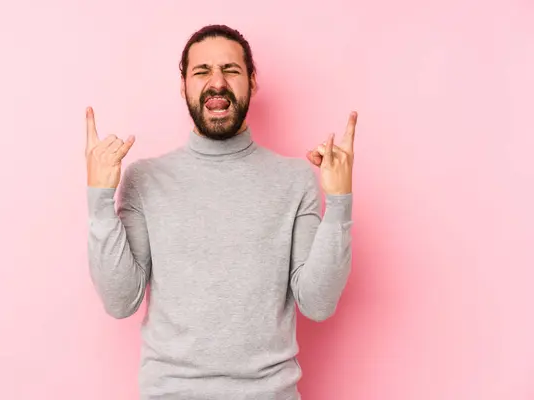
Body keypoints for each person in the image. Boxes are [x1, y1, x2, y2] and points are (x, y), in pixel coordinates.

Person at [85, 24, 357, 400]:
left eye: (230, 70)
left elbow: (318, 303)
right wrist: (99, 198)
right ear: (184, 86)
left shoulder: (295, 180)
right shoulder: (145, 179)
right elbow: (120, 301)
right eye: (202, 71)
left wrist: (339, 201)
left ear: (252, 82)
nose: (217, 82)